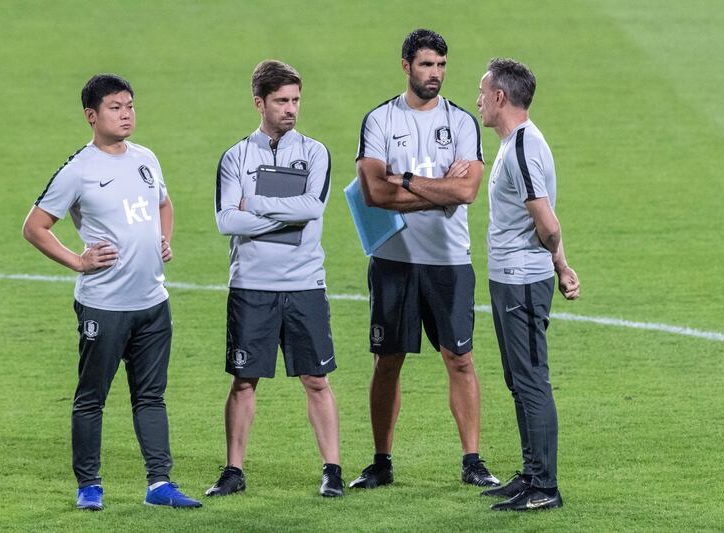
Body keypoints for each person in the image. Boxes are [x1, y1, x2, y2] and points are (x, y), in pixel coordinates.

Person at [21, 74, 201, 510]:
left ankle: (160, 485)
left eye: (130, 106)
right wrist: (78, 261)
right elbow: (35, 227)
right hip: (105, 304)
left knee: (152, 396)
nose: (126, 114)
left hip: (153, 302)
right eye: (116, 108)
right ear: (92, 115)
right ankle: (89, 487)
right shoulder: (78, 170)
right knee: (91, 398)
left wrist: (164, 239)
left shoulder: (145, 158)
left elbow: (163, 202)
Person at [351, 29, 500, 490]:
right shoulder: (378, 120)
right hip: (393, 259)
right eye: (426, 65)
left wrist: (408, 179)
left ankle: (472, 460)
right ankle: (381, 461)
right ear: (406, 66)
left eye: (441, 66)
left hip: (449, 260)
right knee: (388, 359)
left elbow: (468, 190)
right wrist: (438, 195)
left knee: (460, 358)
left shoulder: (461, 123)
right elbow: (374, 192)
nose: (435, 74)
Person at [207, 60, 343, 498]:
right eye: (281, 101)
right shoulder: (236, 156)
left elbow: (312, 209)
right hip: (251, 285)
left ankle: (333, 470)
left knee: (317, 380)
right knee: (244, 380)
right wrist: (283, 219)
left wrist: (258, 206)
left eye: (296, 100)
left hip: (305, 283)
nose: (290, 109)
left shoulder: (316, 152)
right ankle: (233, 471)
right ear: (259, 103)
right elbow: (228, 220)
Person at [475, 58, 580, 511]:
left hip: (521, 281)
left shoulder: (522, 147)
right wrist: (560, 265)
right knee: (519, 380)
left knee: (532, 380)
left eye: (483, 93)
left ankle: (545, 487)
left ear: (501, 97)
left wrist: (556, 262)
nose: (478, 100)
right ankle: (531, 472)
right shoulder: (513, 143)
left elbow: (548, 222)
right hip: (510, 278)